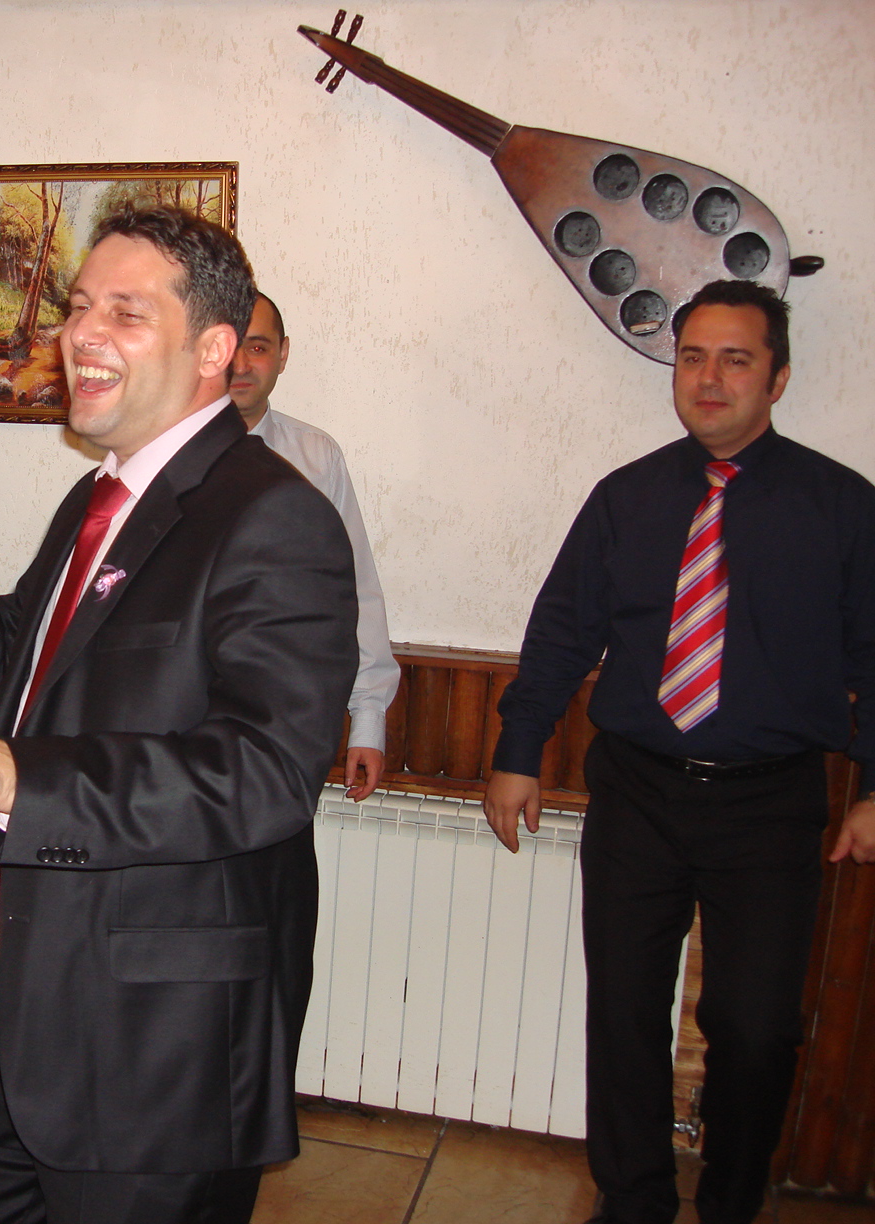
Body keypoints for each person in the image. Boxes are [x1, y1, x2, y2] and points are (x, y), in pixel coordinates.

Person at [0, 205, 359, 1224]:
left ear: (212, 349)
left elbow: (264, 774)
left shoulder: (275, 516)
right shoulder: (100, 499)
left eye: (126, 311)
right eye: (79, 306)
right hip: (38, 1020)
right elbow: (13, 663)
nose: (79, 332)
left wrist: (22, 777)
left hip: (160, 1052)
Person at [481, 279, 875, 1224]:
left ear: (778, 378)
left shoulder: (842, 507)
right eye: (693, 358)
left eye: (736, 359)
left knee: (756, 1026)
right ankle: (633, 1202)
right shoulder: (627, 498)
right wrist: (519, 749)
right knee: (623, 1012)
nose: (709, 379)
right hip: (639, 794)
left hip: (770, 804)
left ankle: (731, 1202)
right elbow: (562, 632)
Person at [229, 292, 399, 799]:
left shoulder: (316, 459)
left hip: (285, 725)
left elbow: (356, 590)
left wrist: (367, 719)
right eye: (230, 344)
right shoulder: (158, 457)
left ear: (282, 355)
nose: (241, 363)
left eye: (258, 347)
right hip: (179, 720)